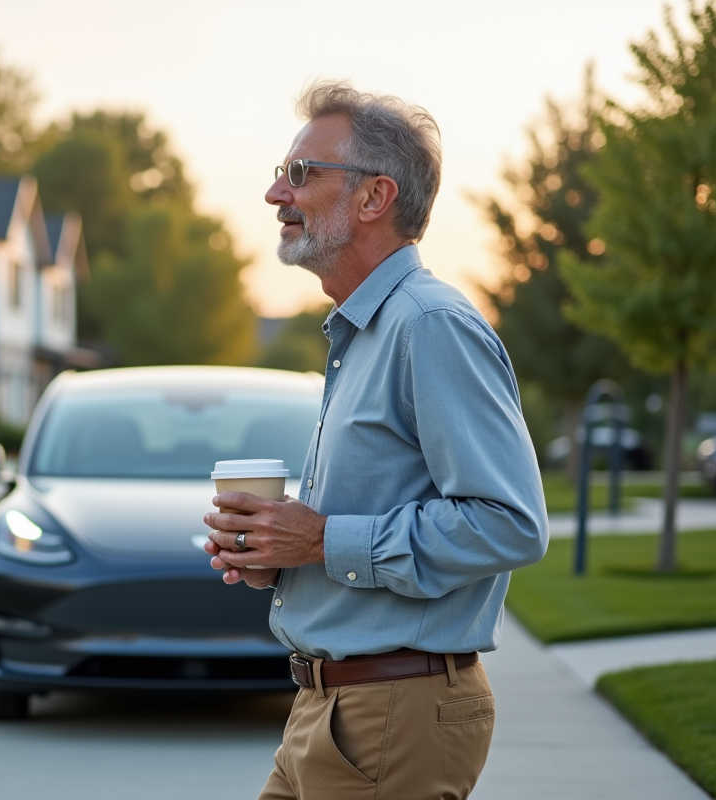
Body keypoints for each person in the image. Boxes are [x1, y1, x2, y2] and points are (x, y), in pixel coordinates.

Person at [203, 81, 548, 800]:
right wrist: (280, 556)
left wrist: (321, 541)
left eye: (301, 174)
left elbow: (510, 524)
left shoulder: (429, 325)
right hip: (327, 710)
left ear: (373, 198)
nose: (275, 193)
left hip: (394, 714)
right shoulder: (363, 335)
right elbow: (364, 521)